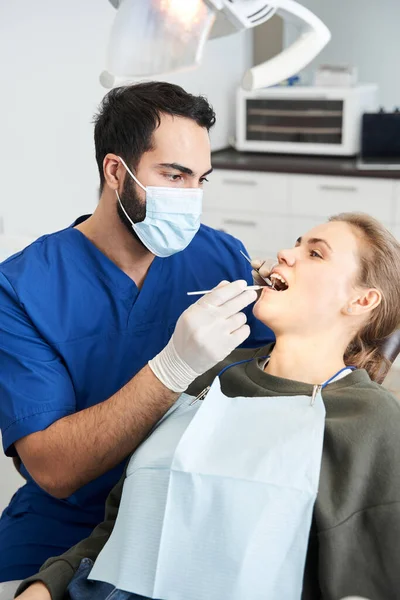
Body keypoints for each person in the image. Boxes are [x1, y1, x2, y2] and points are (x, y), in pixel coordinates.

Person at [15, 212, 400, 600]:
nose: (285, 253)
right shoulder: (203, 375)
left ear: (361, 300)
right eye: (296, 243)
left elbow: (370, 580)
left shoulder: (371, 421)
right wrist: (48, 586)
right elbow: (118, 528)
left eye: (315, 254)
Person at [0, 81, 274, 583]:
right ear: (115, 171)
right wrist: (172, 368)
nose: (191, 199)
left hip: (191, 497)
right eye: (174, 175)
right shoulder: (22, 288)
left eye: (201, 180)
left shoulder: (220, 255)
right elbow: (55, 471)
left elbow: (289, 367)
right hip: (68, 514)